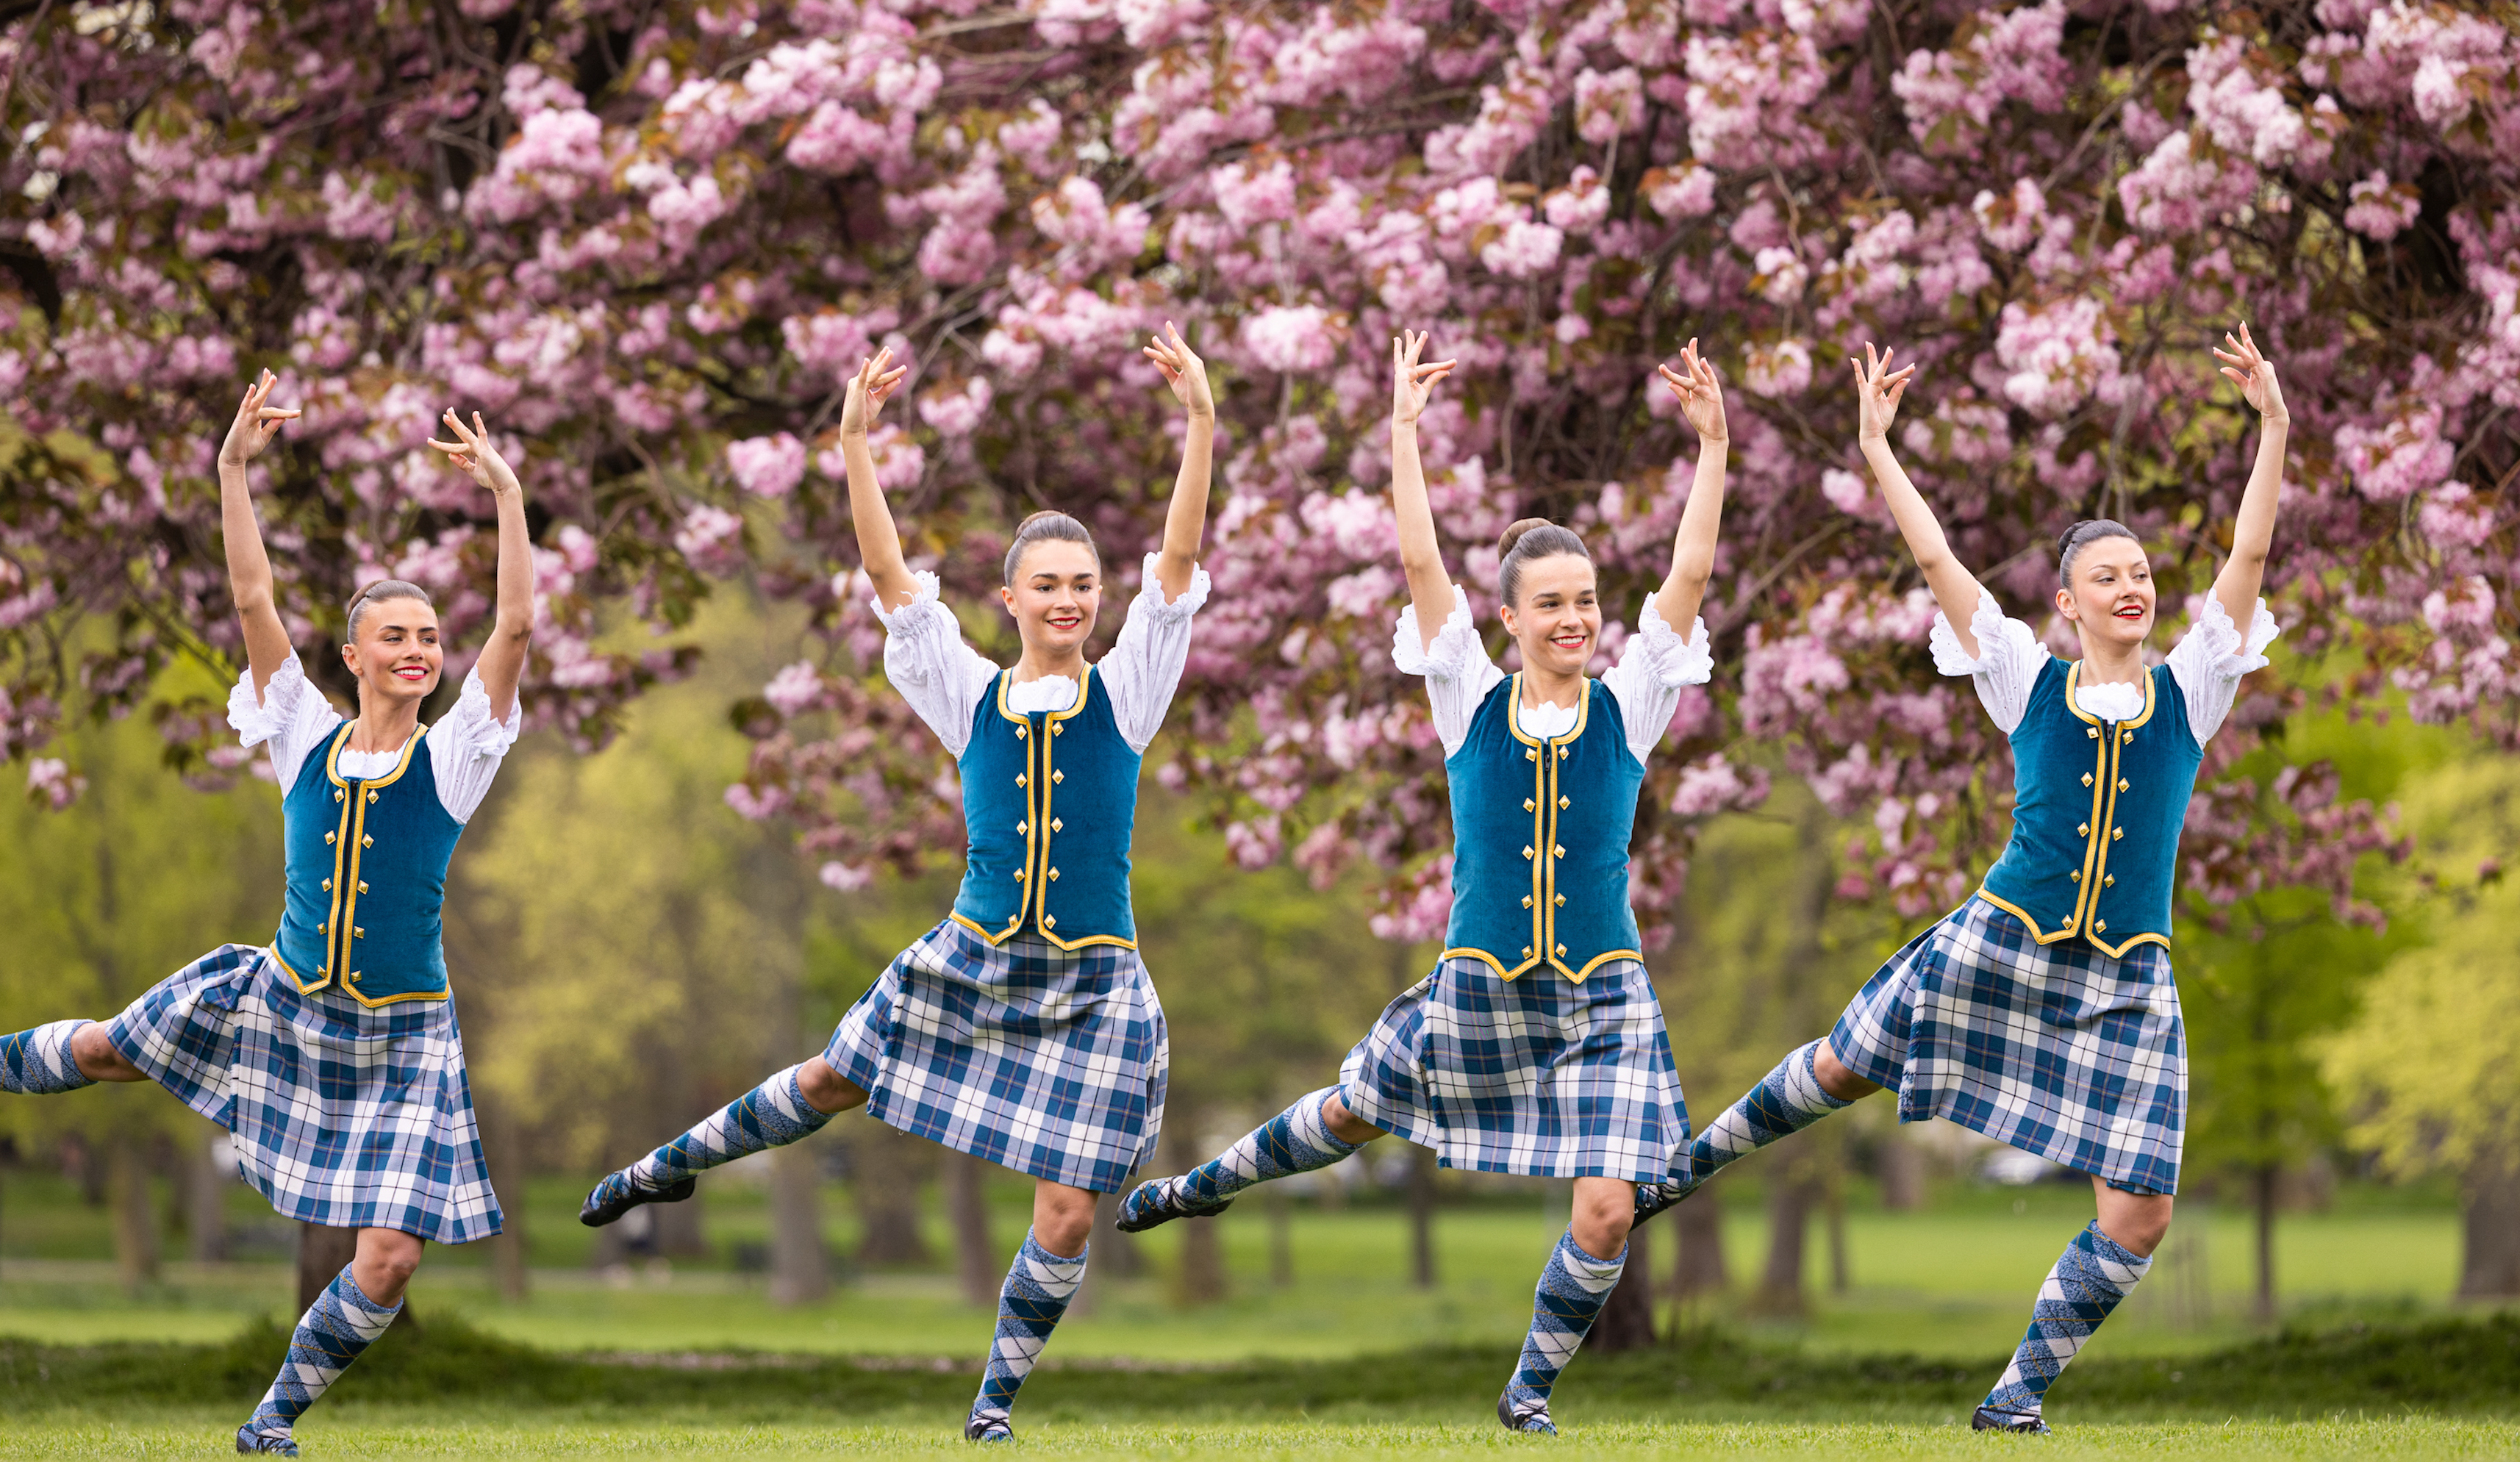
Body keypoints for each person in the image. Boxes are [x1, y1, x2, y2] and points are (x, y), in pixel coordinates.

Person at [0, 370, 534, 1457]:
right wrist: (233, 466)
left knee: (387, 1260)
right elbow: (253, 600)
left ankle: (270, 1423)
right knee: (104, 1049)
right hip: (278, 1000)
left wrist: (508, 498)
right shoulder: (300, 731)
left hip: (400, 1039)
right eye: (396, 635)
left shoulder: (457, 756)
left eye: (429, 634)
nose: (419, 649)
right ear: (355, 655)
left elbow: (516, 622)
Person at [1636, 328, 2291, 1434]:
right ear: (2068, 606)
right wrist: (1877, 449)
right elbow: (1939, 563)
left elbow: (2250, 559)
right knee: (1846, 1064)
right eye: (2106, 577)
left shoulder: (2196, 688)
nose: (2132, 587)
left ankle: (2013, 1400)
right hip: (2002, 942)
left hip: (2126, 981)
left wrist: (2272, 427)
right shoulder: (2023, 679)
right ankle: (1681, 1170)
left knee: (2140, 1215)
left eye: (2139, 573)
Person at [579, 329, 1217, 1442]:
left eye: (1084, 586)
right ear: (1008, 597)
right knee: (833, 1078)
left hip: (1095, 977)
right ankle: (661, 1171)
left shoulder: (1132, 686)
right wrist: (853, 441)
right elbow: (887, 577)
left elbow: (1176, 565)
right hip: (974, 953)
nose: (1069, 601)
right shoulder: (962, 689)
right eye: (1047, 586)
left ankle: (992, 1406)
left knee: (1069, 1210)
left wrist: (1200, 425)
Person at [1117, 330, 1730, 1436]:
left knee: (1610, 1207)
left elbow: (1686, 577)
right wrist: (1401, 431)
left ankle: (1529, 1392)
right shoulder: (1467, 699)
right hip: (1482, 985)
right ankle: (1197, 1188)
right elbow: (1418, 565)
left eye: (1586, 599)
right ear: (1510, 620)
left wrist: (1714, 449)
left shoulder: (1634, 701)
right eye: (1551, 604)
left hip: (1603, 997)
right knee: (1354, 1111)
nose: (1576, 618)